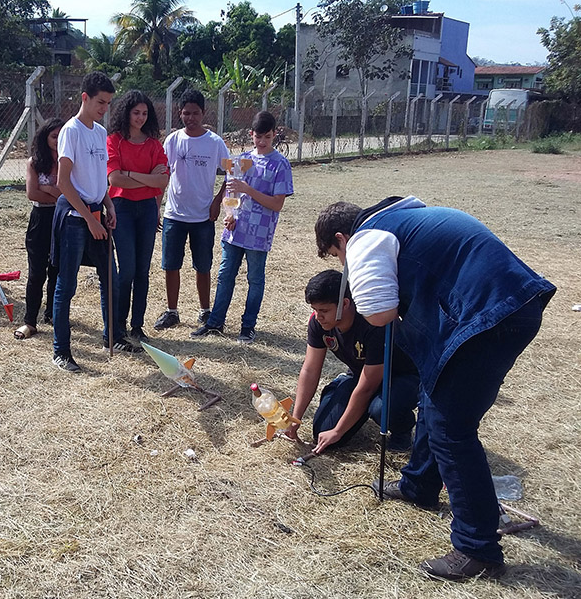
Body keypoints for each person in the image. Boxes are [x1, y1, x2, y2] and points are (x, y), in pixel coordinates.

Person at [315, 197, 556, 581]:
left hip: (488, 315)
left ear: (341, 239)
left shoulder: (367, 238)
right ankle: (419, 484)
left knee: (452, 431)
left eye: (335, 256)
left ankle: (477, 549)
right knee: (433, 397)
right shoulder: (404, 219)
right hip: (507, 303)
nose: (342, 266)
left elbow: (378, 314)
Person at [51, 71, 140, 373]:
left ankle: (111, 337)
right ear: (85, 98)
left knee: (109, 279)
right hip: (75, 219)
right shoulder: (70, 131)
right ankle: (61, 351)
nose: (105, 108)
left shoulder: (100, 133)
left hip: (97, 214)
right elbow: (64, 182)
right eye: (101, 102)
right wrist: (90, 219)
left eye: (108, 103)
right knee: (67, 283)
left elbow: (98, 176)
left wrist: (108, 204)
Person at [285, 269, 419, 454]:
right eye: (314, 310)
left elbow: (367, 388)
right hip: (360, 374)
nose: (318, 316)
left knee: (381, 408)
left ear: (345, 304)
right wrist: (296, 418)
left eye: (324, 310)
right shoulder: (319, 323)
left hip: (400, 376)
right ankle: (345, 394)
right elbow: (310, 369)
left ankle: (401, 430)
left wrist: (339, 430)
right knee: (324, 433)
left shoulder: (373, 324)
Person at [190, 111, 292, 343]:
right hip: (235, 231)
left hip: (260, 234)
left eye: (267, 136)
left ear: (275, 134)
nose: (262, 142)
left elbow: (276, 204)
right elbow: (231, 193)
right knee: (225, 275)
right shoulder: (241, 160)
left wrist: (250, 190)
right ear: (251, 134)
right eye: (258, 136)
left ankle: (248, 326)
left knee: (255, 279)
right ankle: (215, 322)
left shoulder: (281, 165)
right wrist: (229, 214)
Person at [153, 89, 229, 331]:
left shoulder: (215, 142)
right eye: (186, 113)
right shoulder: (173, 141)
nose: (190, 117)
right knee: (171, 264)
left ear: (203, 113)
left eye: (195, 113)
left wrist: (218, 201)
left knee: (203, 266)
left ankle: (205, 311)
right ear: (180, 113)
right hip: (174, 215)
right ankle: (172, 311)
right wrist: (157, 206)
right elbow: (162, 175)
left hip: (203, 216)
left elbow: (231, 172)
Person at [106, 90, 169, 343]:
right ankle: (118, 326)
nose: (140, 118)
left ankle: (137, 325)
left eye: (144, 113)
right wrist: (146, 178)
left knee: (143, 271)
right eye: (136, 113)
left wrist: (131, 174)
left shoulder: (154, 144)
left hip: (147, 209)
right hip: (121, 208)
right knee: (128, 269)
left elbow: (163, 180)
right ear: (126, 112)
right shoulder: (114, 141)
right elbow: (114, 179)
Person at [14, 118, 64, 340]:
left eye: (62, 136)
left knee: (58, 270)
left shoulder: (67, 161)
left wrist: (48, 188)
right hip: (40, 219)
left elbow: (67, 193)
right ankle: (30, 321)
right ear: (45, 137)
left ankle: (53, 314)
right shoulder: (34, 162)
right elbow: (32, 194)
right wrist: (56, 191)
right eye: (54, 136)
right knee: (36, 273)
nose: (57, 140)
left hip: (61, 218)